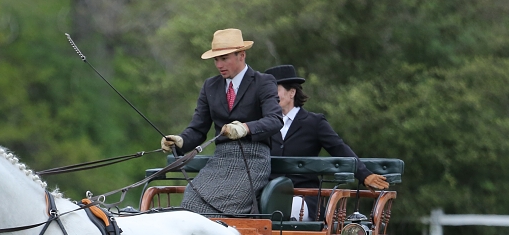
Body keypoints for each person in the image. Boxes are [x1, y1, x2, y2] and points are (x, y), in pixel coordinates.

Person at [161, 29, 283, 216]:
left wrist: (245, 128)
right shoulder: (210, 85)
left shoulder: (263, 82)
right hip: (221, 159)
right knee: (190, 202)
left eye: (224, 58)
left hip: (253, 159)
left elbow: (275, 120)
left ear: (241, 55)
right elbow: (198, 129)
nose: (219, 65)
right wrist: (180, 141)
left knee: (220, 208)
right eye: (216, 60)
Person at [265, 64, 389, 221]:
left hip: (303, 198)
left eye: (274, 91)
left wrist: (364, 175)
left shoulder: (314, 122)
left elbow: (339, 149)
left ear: (292, 92)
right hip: (269, 195)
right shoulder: (265, 124)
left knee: (282, 212)